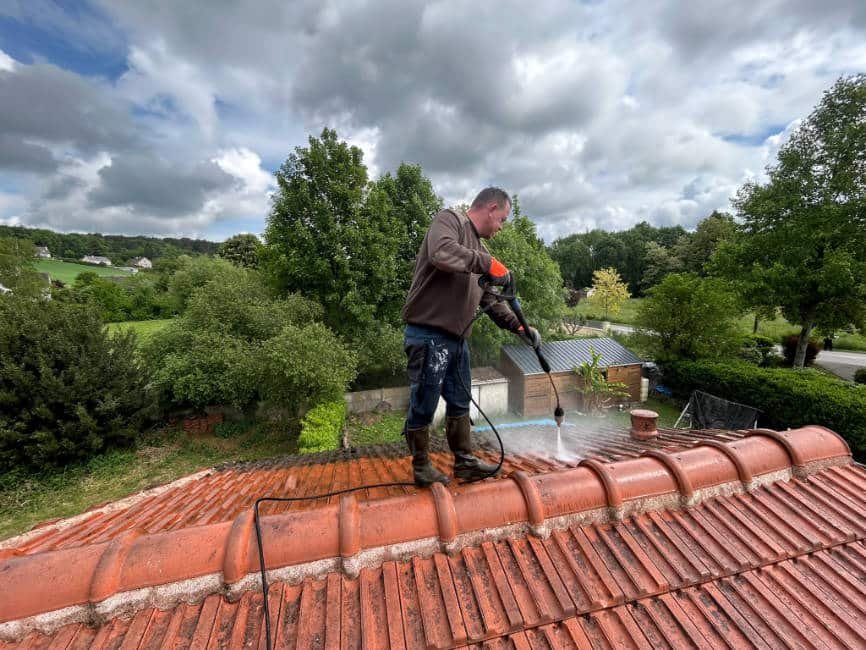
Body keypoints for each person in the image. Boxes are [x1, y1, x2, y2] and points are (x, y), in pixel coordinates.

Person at [400, 187, 540, 486]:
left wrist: (519, 327)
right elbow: (440, 253)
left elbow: (490, 299)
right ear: (490, 208)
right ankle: (421, 466)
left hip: (456, 339)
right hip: (427, 334)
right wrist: (488, 264)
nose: (500, 227)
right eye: (501, 219)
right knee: (424, 401)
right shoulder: (448, 220)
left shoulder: (480, 252)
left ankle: (464, 463)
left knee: (460, 400)